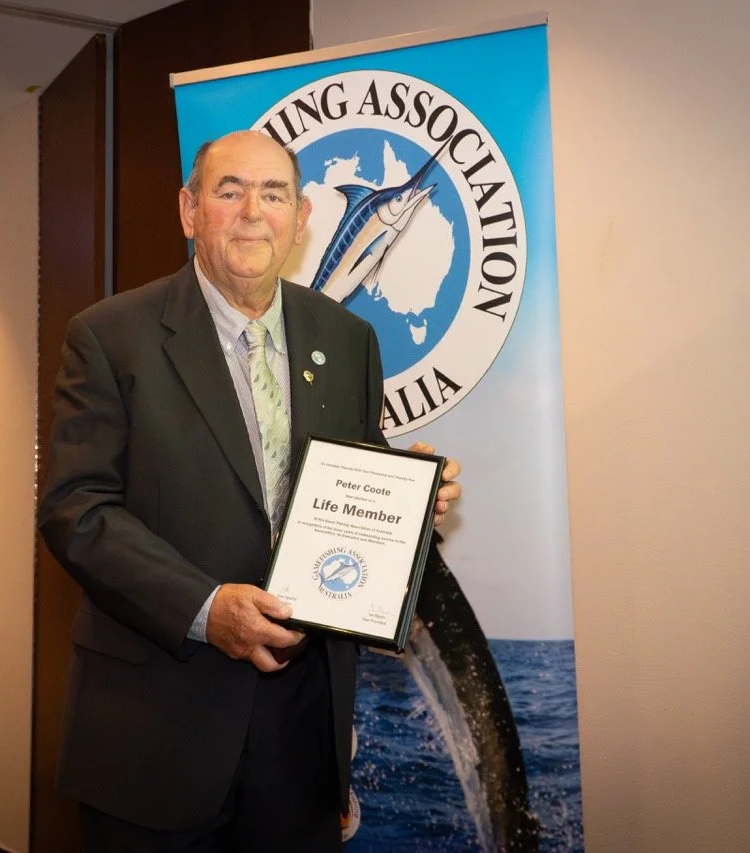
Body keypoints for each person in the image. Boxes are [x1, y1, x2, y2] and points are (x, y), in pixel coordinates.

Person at [37, 130, 461, 851]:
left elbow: (347, 479)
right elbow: (77, 508)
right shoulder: (110, 336)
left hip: (301, 736)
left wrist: (413, 491)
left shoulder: (347, 337)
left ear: (301, 219)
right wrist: (206, 608)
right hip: (156, 732)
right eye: (229, 190)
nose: (251, 212)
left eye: (271, 195)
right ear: (189, 209)